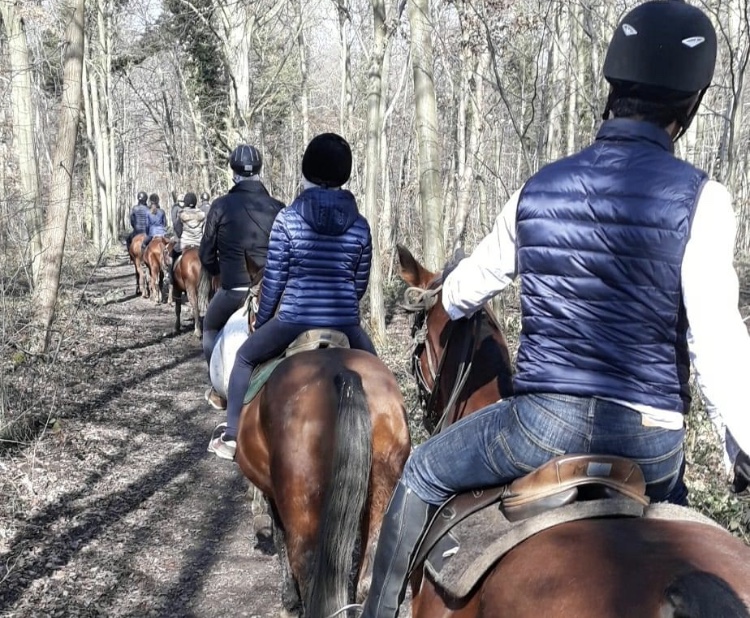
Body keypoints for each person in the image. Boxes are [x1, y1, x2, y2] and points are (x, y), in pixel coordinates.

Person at [360, 2, 750, 617]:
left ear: (612, 86)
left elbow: (463, 292)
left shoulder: (537, 189)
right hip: (653, 444)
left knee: (424, 472)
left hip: (543, 427)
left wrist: (448, 292)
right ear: (690, 104)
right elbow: (717, 344)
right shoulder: (705, 201)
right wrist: (743, 445)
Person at [208, 132, 376, 460]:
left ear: (306, 170)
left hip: (294, 319)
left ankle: (232, 436)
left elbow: (274, 280)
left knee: (243, 358)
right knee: (381, 377)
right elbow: (359, 284)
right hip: (345, 321)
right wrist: (343, 309)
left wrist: (266, 317)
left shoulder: (289, 219)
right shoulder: (360, 226)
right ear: (345, 173)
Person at [199, 145, 285, 410]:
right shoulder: (278, 207)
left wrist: (216, 271)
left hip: (234, 289)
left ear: (233, 172)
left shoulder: (220, 206)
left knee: (210, 328)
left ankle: (219, 388)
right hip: (273, 290)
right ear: (259, 171)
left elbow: (205, 255)